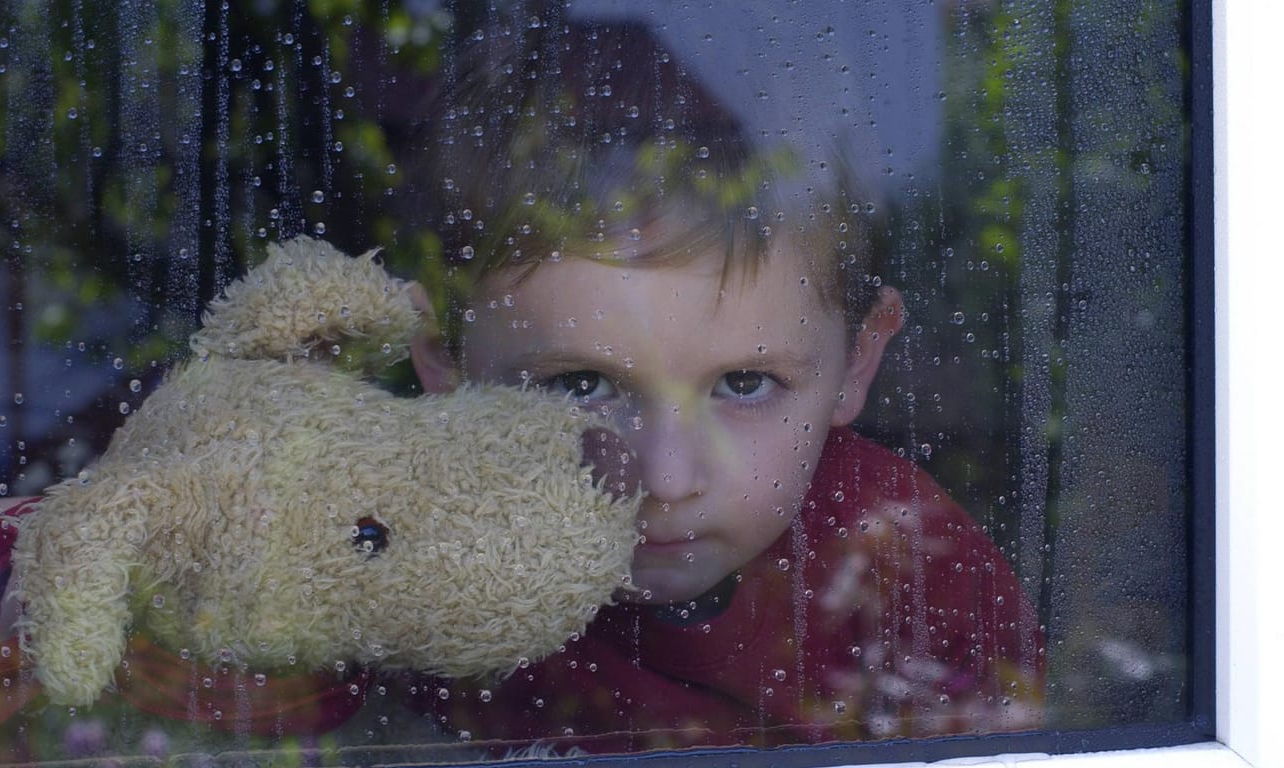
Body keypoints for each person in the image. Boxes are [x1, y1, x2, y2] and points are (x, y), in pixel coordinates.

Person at [396, 21, 1045, 754]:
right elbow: (281, 703)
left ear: (857, 362)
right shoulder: (403, 544)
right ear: (444, 367)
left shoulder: (907, 568)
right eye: (580, 384)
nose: (666, 478)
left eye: (744, 383)